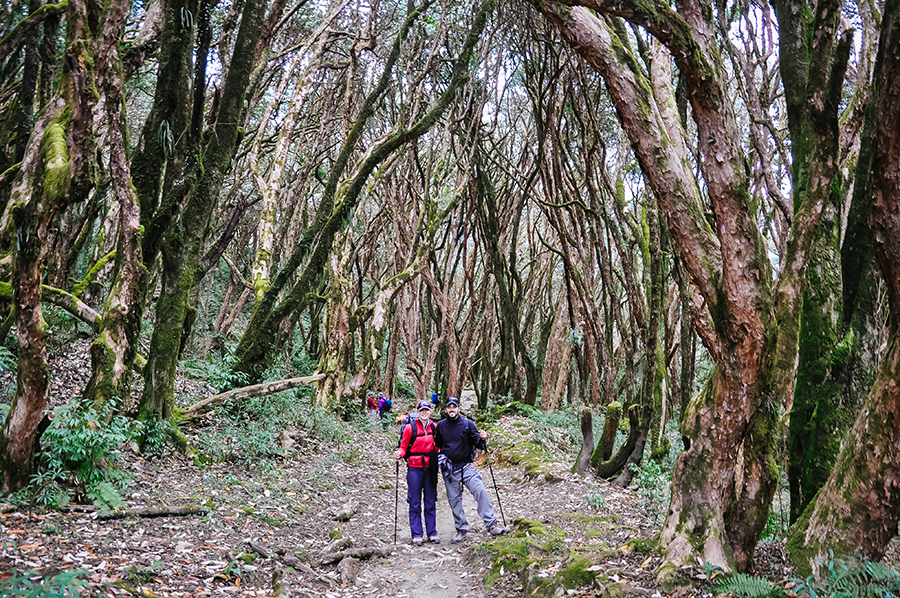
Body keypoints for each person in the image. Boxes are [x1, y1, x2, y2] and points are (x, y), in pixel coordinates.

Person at [435, 396, 509, 543]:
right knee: (454, 500)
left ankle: (492, 525)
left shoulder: (468, 424)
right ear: (445, 410)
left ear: (458, 409)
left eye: (454, 406)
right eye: (449, 407)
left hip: (466, 467)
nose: (452, 409)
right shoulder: (441, 426)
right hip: (450, 469)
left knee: (480, 490)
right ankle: (461, 530)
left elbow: (479, 445)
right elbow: (438, 444)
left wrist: (483, 438)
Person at [393, 400, 440, 546]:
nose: (424, 412)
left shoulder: (435, 427)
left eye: (427, 410)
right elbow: (403, 447)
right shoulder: (409, 428)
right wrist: (399, 454)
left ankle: (432, 533)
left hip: (430, 469)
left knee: (430, 501)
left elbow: (439, 446)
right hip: (414, 469)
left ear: (430, 411)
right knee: (414, 502)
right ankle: (417, 534)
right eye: (422, 410)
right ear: (418, 412)